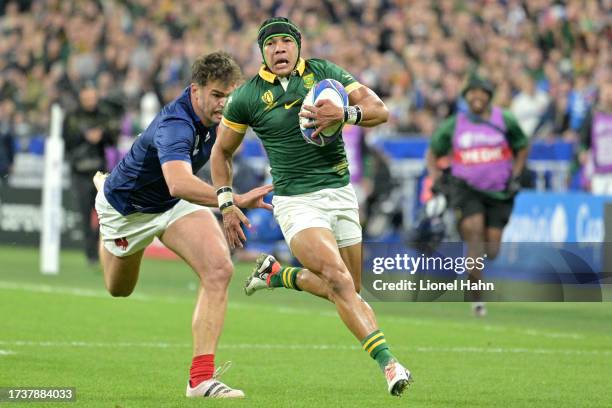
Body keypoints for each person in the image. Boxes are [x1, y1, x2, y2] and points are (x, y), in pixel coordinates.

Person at [210, 17, 412, 396]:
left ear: (298, 46)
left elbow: (379, 110)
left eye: (286, 41)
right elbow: (222, 152)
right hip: (295, 202)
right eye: (270, 44)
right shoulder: (248, 96)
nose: (279, 49)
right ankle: (390, 364)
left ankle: (279, 275)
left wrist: (347, 114)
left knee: (351, 289)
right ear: (262, 53)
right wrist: (226, 202)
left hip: (340, 193)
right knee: (338, 279)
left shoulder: (325, 74)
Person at [94, 52, 273, 399]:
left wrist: (227, 206)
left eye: (229, 95)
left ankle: (201, 380)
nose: (224, 103)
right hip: (128, 212)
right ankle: (106, 206)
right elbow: (178, 182)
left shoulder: (220, 118)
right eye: (217, 96)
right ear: (196, 91)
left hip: (172, 206)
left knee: (219, 270)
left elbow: (220, 158)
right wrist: (231, 201)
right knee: (119, 289)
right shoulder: (176, 124)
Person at [426, 75, 529, 317]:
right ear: (465, 97)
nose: (476, 97)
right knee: (473, 232)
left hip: (499, 192)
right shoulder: (455, 124)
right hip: (466, 189)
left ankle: (475, 265)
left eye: (481, 92)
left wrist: (516, 173)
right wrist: (436, 179)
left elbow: (522, 145)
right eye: (471, 93)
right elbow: (433, 151)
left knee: (491, 249)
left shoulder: (505, 119)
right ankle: (477, 300)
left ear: (489, 96)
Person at [64, 83, 118, 264]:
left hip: (99, 173)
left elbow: (113, 139)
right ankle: (91, 254)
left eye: (93, 98)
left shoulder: (103, 115)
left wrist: (101, 136)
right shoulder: (72, 117)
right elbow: (67, 142)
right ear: (81, 98)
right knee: (85, 214)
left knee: (105, 212)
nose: (90, 101)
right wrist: (85, 137)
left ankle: (101, 248)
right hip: (79, 171)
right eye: (87, 98)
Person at [579, 80, 612, 195]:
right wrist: (582, 150)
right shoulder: (593, 114)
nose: (608, 96)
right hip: (598, 170)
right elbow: (584, 136)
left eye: (610, 92)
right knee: (599, 205)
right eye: (606, 92)